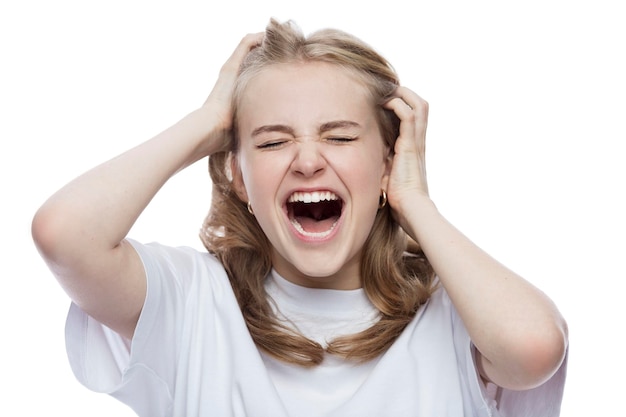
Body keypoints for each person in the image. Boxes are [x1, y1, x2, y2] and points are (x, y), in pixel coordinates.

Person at [31, 18, 568, 417]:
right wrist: (207, 122)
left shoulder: (455, 319)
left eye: (339, 136)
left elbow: (534, 348)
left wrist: (416, 203)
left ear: (388, 161)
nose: (308, 160)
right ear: (239, 177)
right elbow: (65, 235)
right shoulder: (192, 304)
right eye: (272, 141)